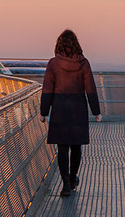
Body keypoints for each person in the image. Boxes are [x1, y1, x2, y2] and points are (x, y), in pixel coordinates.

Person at [40, 29, 101, 196]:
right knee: (76, 147)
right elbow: (90, 89)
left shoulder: (53, 64)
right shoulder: (84, 63)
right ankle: (73, 178)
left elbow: (47, 89)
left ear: (58, 45)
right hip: (78, 109)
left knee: (62, 148)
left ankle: (65, 184)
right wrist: (96, 111)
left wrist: (44, 112)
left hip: (59, 109)